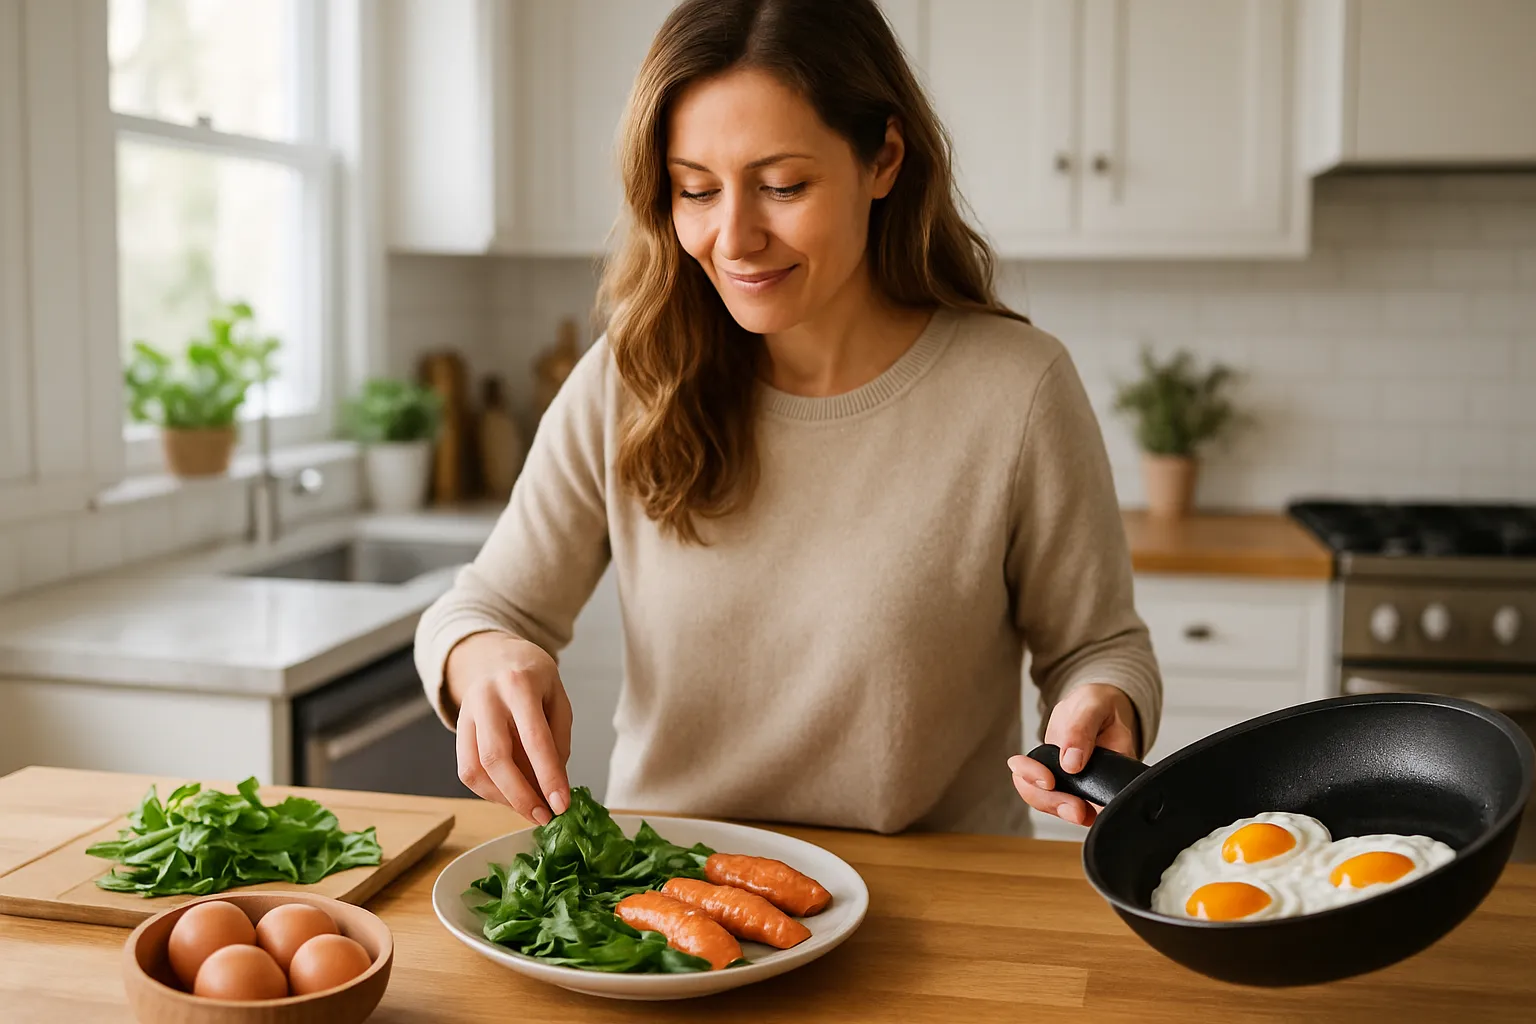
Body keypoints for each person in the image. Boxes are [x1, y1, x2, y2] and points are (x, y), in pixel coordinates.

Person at [414, 0, 1162, 836]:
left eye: (782, 186)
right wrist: (481, 658)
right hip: (670, 902)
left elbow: (1101, 647)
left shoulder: (1017, 390)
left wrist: (1101, 701)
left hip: (932, 911)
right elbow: (482, 610)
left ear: (882, 158)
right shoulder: (635, 375)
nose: (732, 237)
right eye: (694, 190)